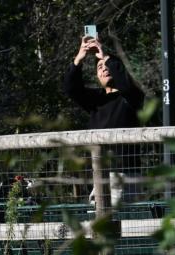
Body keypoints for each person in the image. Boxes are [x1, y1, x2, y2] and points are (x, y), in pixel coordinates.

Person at [62, 34, 144, 206]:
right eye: (99, 67)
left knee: (115, 224)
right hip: (99, 175)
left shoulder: (130, 97)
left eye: (107, 66)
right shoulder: (95, 99)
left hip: (123, 174)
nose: (104, 68)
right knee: (97, 225)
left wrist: (104, 56)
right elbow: (71, 89)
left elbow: (127, 85)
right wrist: (79, 58)